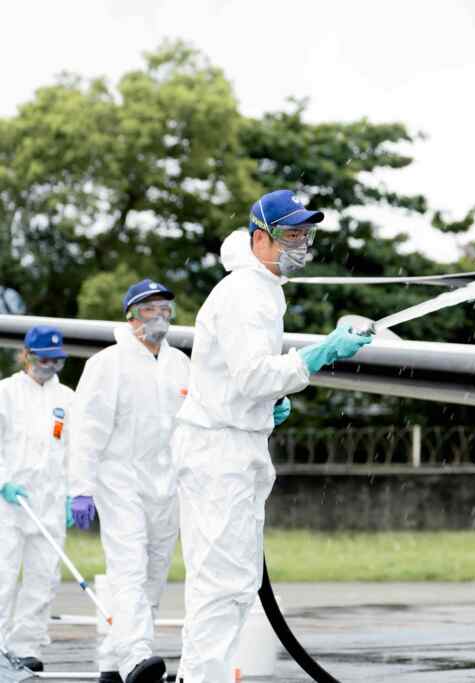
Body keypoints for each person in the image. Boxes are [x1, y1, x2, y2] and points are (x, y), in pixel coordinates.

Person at [171, 189, 373, 683]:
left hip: (235, 441)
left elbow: (242, 378)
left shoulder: (263, 288)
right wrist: (320, 353)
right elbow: (253, 375)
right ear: (260, 237)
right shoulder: (244, 293)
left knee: (235, 586)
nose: (301, 243)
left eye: (306, 233)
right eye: (291, 234)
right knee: (221, 588)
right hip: (219, 449)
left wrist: (266, 406)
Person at [68, 279, 191, 683]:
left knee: (154, 575)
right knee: (129, 570)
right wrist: (81, 488)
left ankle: (113, 661)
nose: (158, 316)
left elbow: (193, 424)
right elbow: (86, 430)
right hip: (119, 480)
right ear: (130, 315)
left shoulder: (180, 364)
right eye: (148, 308)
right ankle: (136, 657)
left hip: (165, 485)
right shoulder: (107, 364)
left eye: (164, 308)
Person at [0, 326, 75, 673]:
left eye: (56, 360)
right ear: (27, 355)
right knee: (3, 577)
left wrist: (75, 496)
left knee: (42, 580)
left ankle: (25, 646)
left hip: (49, 506)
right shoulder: (6, 393)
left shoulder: (69, 399)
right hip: (8, 506)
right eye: (44, 359)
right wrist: (3, 483)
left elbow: (75, 452)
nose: (50, 366)